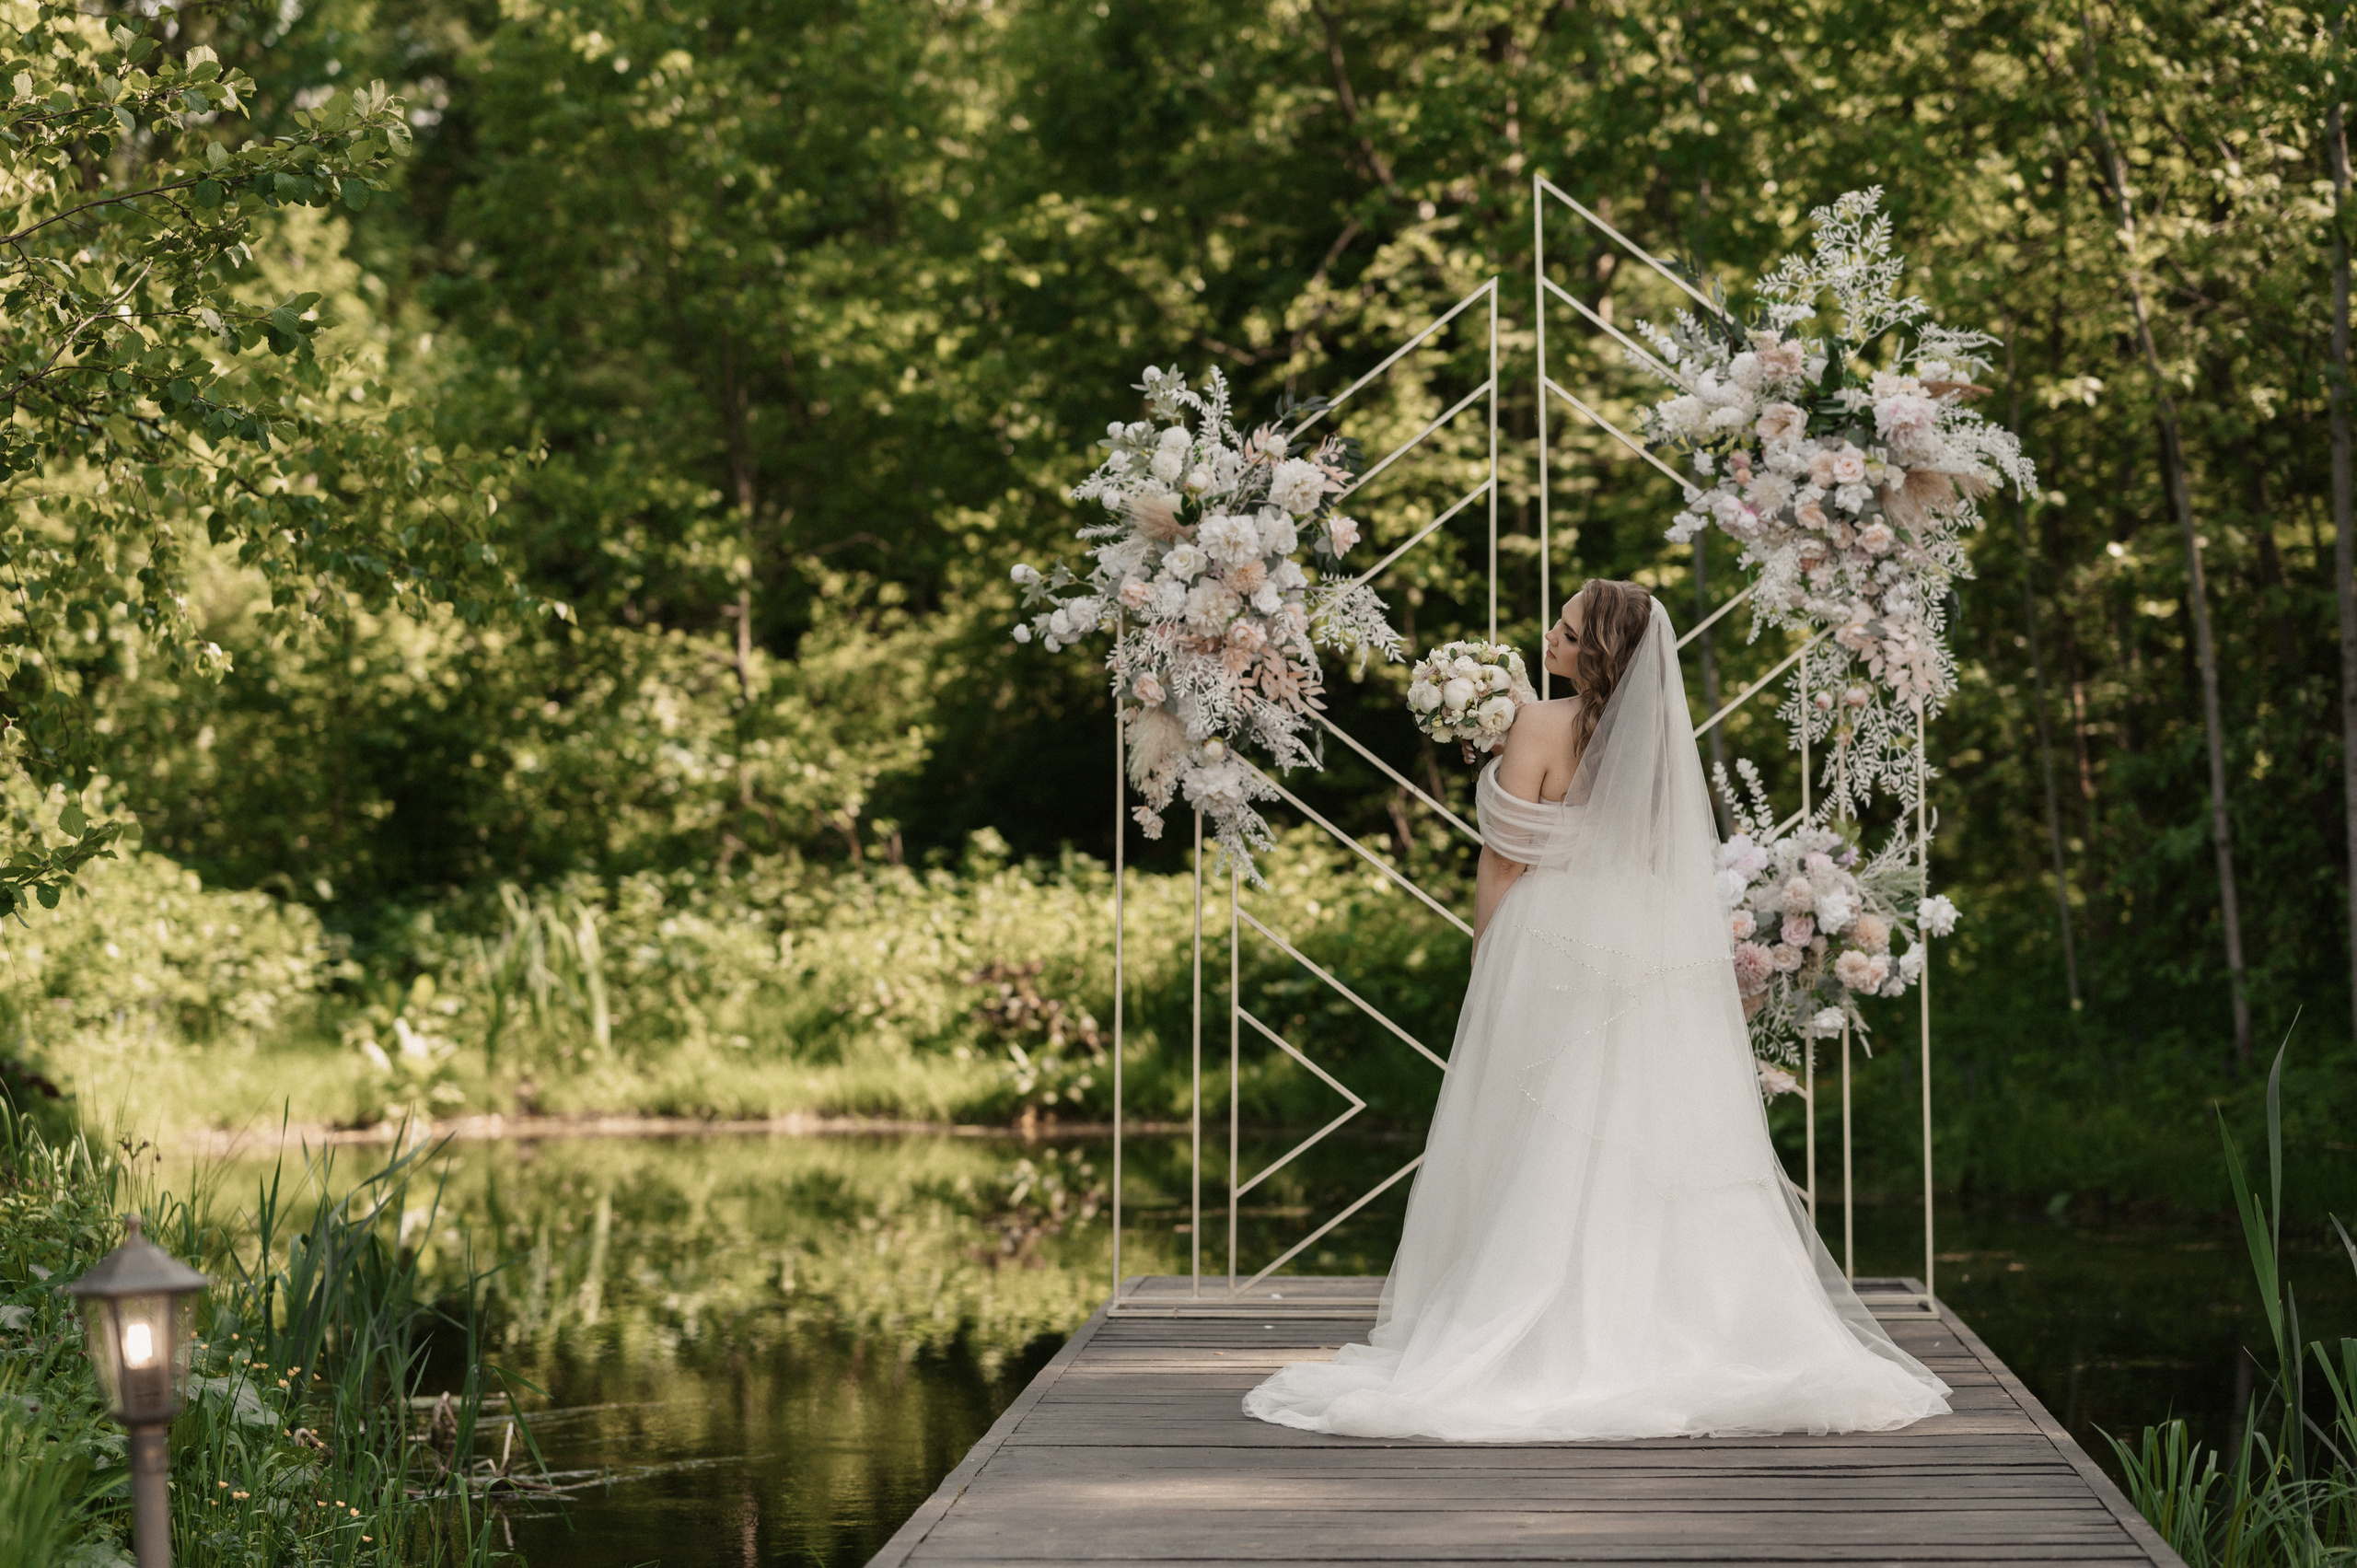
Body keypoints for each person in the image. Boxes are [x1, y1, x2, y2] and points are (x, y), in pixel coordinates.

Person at [1241, 579, 1951, 1441]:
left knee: (1550, 1126)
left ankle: (1552, 1324)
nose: (1548, 637)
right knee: (1647, 1127)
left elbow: (1503, 864)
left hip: (1551, 940)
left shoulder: (1537, 724)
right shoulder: (1653, 745)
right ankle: (1693, 1323)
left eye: (1567, 631)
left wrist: (1486, 959)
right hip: (1640, 947)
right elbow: (1657, 861)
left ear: (1598, 655)